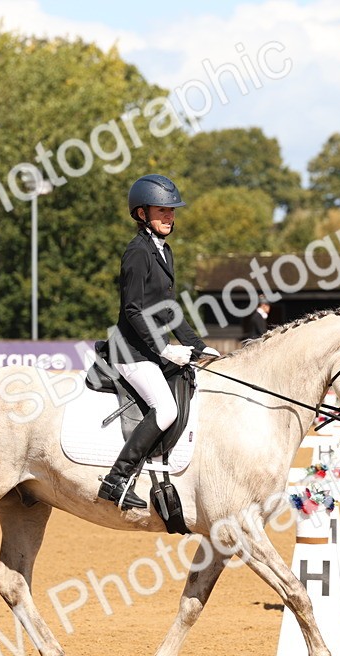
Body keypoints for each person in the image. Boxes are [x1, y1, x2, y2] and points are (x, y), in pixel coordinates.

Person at [98, 174, 220, 510]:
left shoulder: (164, 252)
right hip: (130, 350)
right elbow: (133, 310)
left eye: (172, 211)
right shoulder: (137, 252)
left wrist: (197, 345)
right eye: (161, 210)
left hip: (148, 349)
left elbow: (169, 310)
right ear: (141, 214)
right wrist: (164, 348)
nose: (169, 216)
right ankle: (117, 479)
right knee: (165, 409)